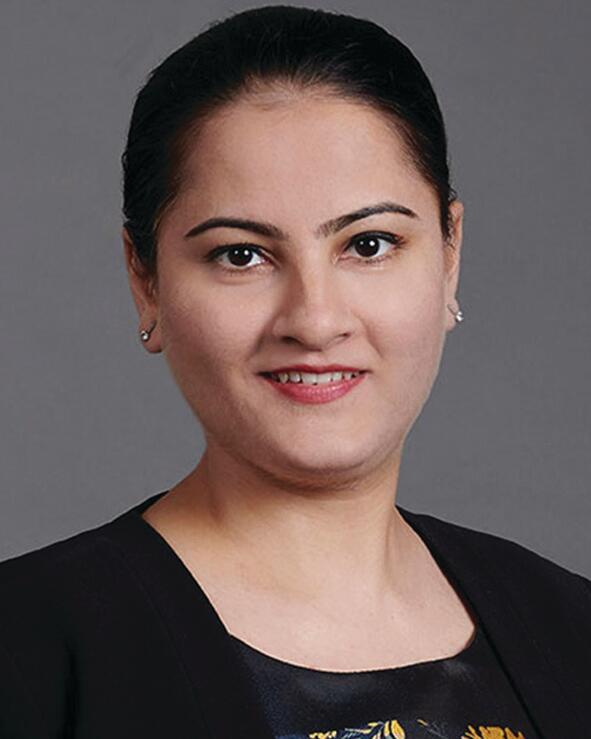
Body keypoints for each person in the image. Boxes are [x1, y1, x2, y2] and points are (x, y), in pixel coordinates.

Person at [0, 5, 589, 738]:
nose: (314, 320)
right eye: (241, 254)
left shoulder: (571, 629)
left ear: (448, 257)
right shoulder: (28, 651)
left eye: (369, 244)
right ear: (145, 280)